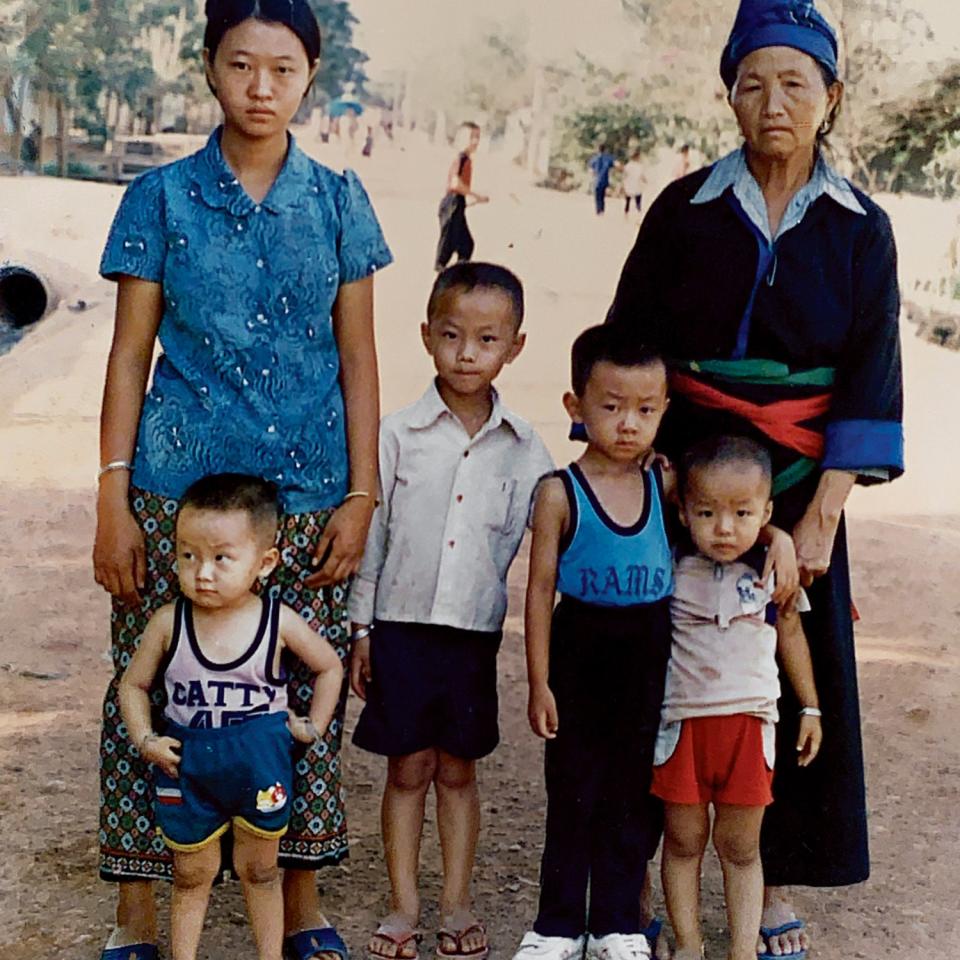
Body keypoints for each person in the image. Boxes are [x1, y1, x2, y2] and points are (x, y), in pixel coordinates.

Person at [92, 2, 392, 959]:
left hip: (305, 504)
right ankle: (141, 920)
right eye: (240, 66)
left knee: (297, 698)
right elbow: (129, 353)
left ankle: (300, 910)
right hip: (173, 498)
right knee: (149, 688)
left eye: (283, 68)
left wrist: (361, 495)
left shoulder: (342, 202)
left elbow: (358, 360)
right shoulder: (160, 200)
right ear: (210, 70)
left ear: (312, 75)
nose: (261, 88)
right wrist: (111, 498)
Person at [606, 1, 904, 956]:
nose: (772, 102)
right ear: (727, 95)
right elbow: (631, 340)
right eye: (752, 83)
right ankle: (655, 873)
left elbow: (872, 371)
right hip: (687, 476)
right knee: (672, 661)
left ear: (832, 96)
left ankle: (766, 880)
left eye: (796, 83)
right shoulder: (683, 208)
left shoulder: (864, 229)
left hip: (801, 476)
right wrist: (645, 455)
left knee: (785, 668)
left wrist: (821, 513)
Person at [349, 262, 554, 960]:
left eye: (487, 339)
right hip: (401, 627)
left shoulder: (527, 450)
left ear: (514, 347)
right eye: (451, 335)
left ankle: (456, 901)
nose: (467, 353)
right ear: (426, 337)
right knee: (407, 768)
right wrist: (361, 628)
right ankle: (404, 905)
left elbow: (560, 533)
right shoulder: (398, 434)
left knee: (459, 771)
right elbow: (372, 534)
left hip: (472, 635)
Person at [119, 474, 344, 960]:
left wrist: (313, 725)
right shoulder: (168, 622)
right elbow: (133, 685)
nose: (202, 572)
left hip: (260, 763)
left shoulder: (277, 621)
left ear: (264, 563)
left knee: (260, 871)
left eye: (221, 558)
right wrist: (144, 737)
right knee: (190, 875)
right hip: (189, 763)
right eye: (188, 555)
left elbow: (329, 666)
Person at [513, 326, 673, 960]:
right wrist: (539, 681)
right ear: (575, 407)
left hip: (646, 652)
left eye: (644, 410)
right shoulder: (560, 492)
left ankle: (616, 924)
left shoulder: (664, 484)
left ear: (664, 411)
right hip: (582, 649)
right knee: (573, 790)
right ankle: (556, 926)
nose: (627, 424)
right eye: (610, 407)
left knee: (630, 794)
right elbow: (538, 590)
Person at [653, 436, 822, 960]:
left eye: (742, 513)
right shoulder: (670, 565)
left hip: (749, 731)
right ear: (684, 512)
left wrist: (811, 706)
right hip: (683, 728)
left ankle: (743, 950)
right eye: (707, 512)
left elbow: (791, 634)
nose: (724, 528)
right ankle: (688, 944)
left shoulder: (772, 573)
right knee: (682, 844)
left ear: (766, 512)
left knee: (741, 848)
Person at [435, 122, 489, 271]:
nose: (475, 141)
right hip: (452, 202)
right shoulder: (462, 158)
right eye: (471, 137)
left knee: (465, 245)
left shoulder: (466, 159)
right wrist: (476, 196)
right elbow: (455, 183)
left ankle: (456, 277)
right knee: (448, 244)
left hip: (457, 202)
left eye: (478, 137)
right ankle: (443, 277)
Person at [588, 143, 617, 215]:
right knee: (602, 196)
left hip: (597, 180)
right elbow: (614, 165)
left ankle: (598, 210)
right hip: (604, 180)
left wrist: (593, 175)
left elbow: (591, 169)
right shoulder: (608, 158)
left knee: (597, 196)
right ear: (605, 149)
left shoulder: (594, 158)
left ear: (598, 149)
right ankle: (602, 210)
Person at [622, 149, 647, 217]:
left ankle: (626, 214)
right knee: (638, 201)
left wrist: (623, 184)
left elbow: (624, 175)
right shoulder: (639, 166)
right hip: (637, 186)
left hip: (629, 185)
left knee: (628, 201)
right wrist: (646, 181)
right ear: (637, 157)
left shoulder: (628, 165)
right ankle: (639, 214)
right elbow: (642, 176)